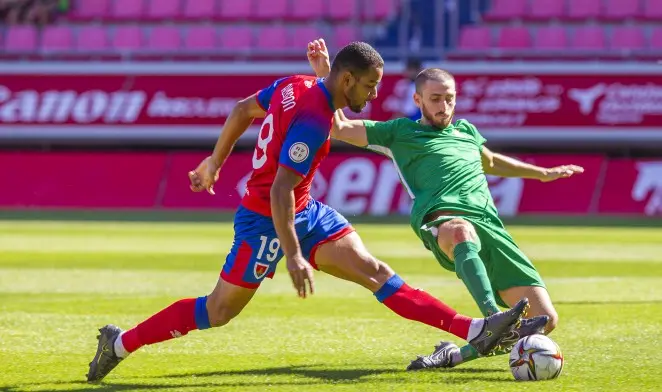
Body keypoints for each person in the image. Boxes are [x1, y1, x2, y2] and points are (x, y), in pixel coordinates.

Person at [86, 41, 534, 383]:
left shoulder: (295, 84)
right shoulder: (314, 122)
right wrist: (295, 255)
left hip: (306, 210)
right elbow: (280, 190)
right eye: (370, 85)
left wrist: (214, 161)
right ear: (347, 80)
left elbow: (244, 110)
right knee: (219, 310)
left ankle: (476, 328)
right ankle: (120, 343)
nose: (374, 94)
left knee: (373, 270)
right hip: (265, 220)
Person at [326, 63, 583, 369]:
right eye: (435, 98)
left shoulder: (467, 132)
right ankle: (491, 315)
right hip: (443, 221)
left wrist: (542, 174)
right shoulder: (398, 132)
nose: (444, 105)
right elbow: (339, 127)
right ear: (418, 100)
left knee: (545, 321)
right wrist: (325, 76)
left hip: (491, 228)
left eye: (449, 98)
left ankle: (453, 355)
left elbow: (491, 162)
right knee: (461, 230)